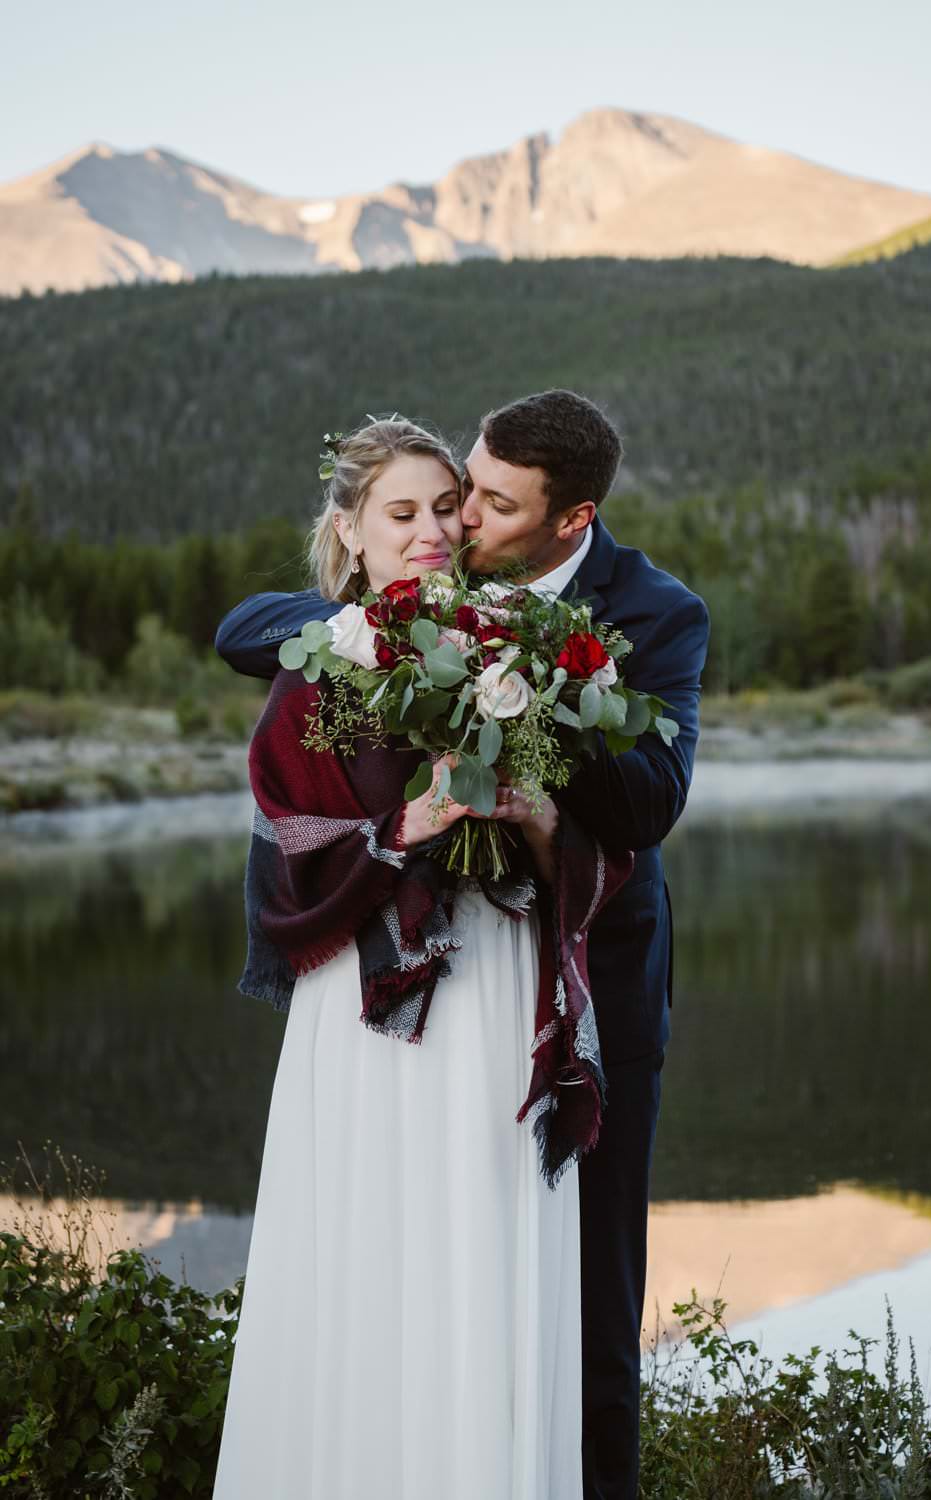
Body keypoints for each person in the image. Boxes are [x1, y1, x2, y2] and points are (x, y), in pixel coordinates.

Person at [215, 390, 711, 1500]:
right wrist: (356, 629)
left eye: (487, 502)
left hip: (587, 990)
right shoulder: (436, 574)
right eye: (457, 491)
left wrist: (536, 702)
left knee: (586, 1308)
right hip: (412, 979)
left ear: (568, 519)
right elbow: (254, 623)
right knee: (401, 1256)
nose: (459, 526)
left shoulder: (655, 612)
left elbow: (648, 802)